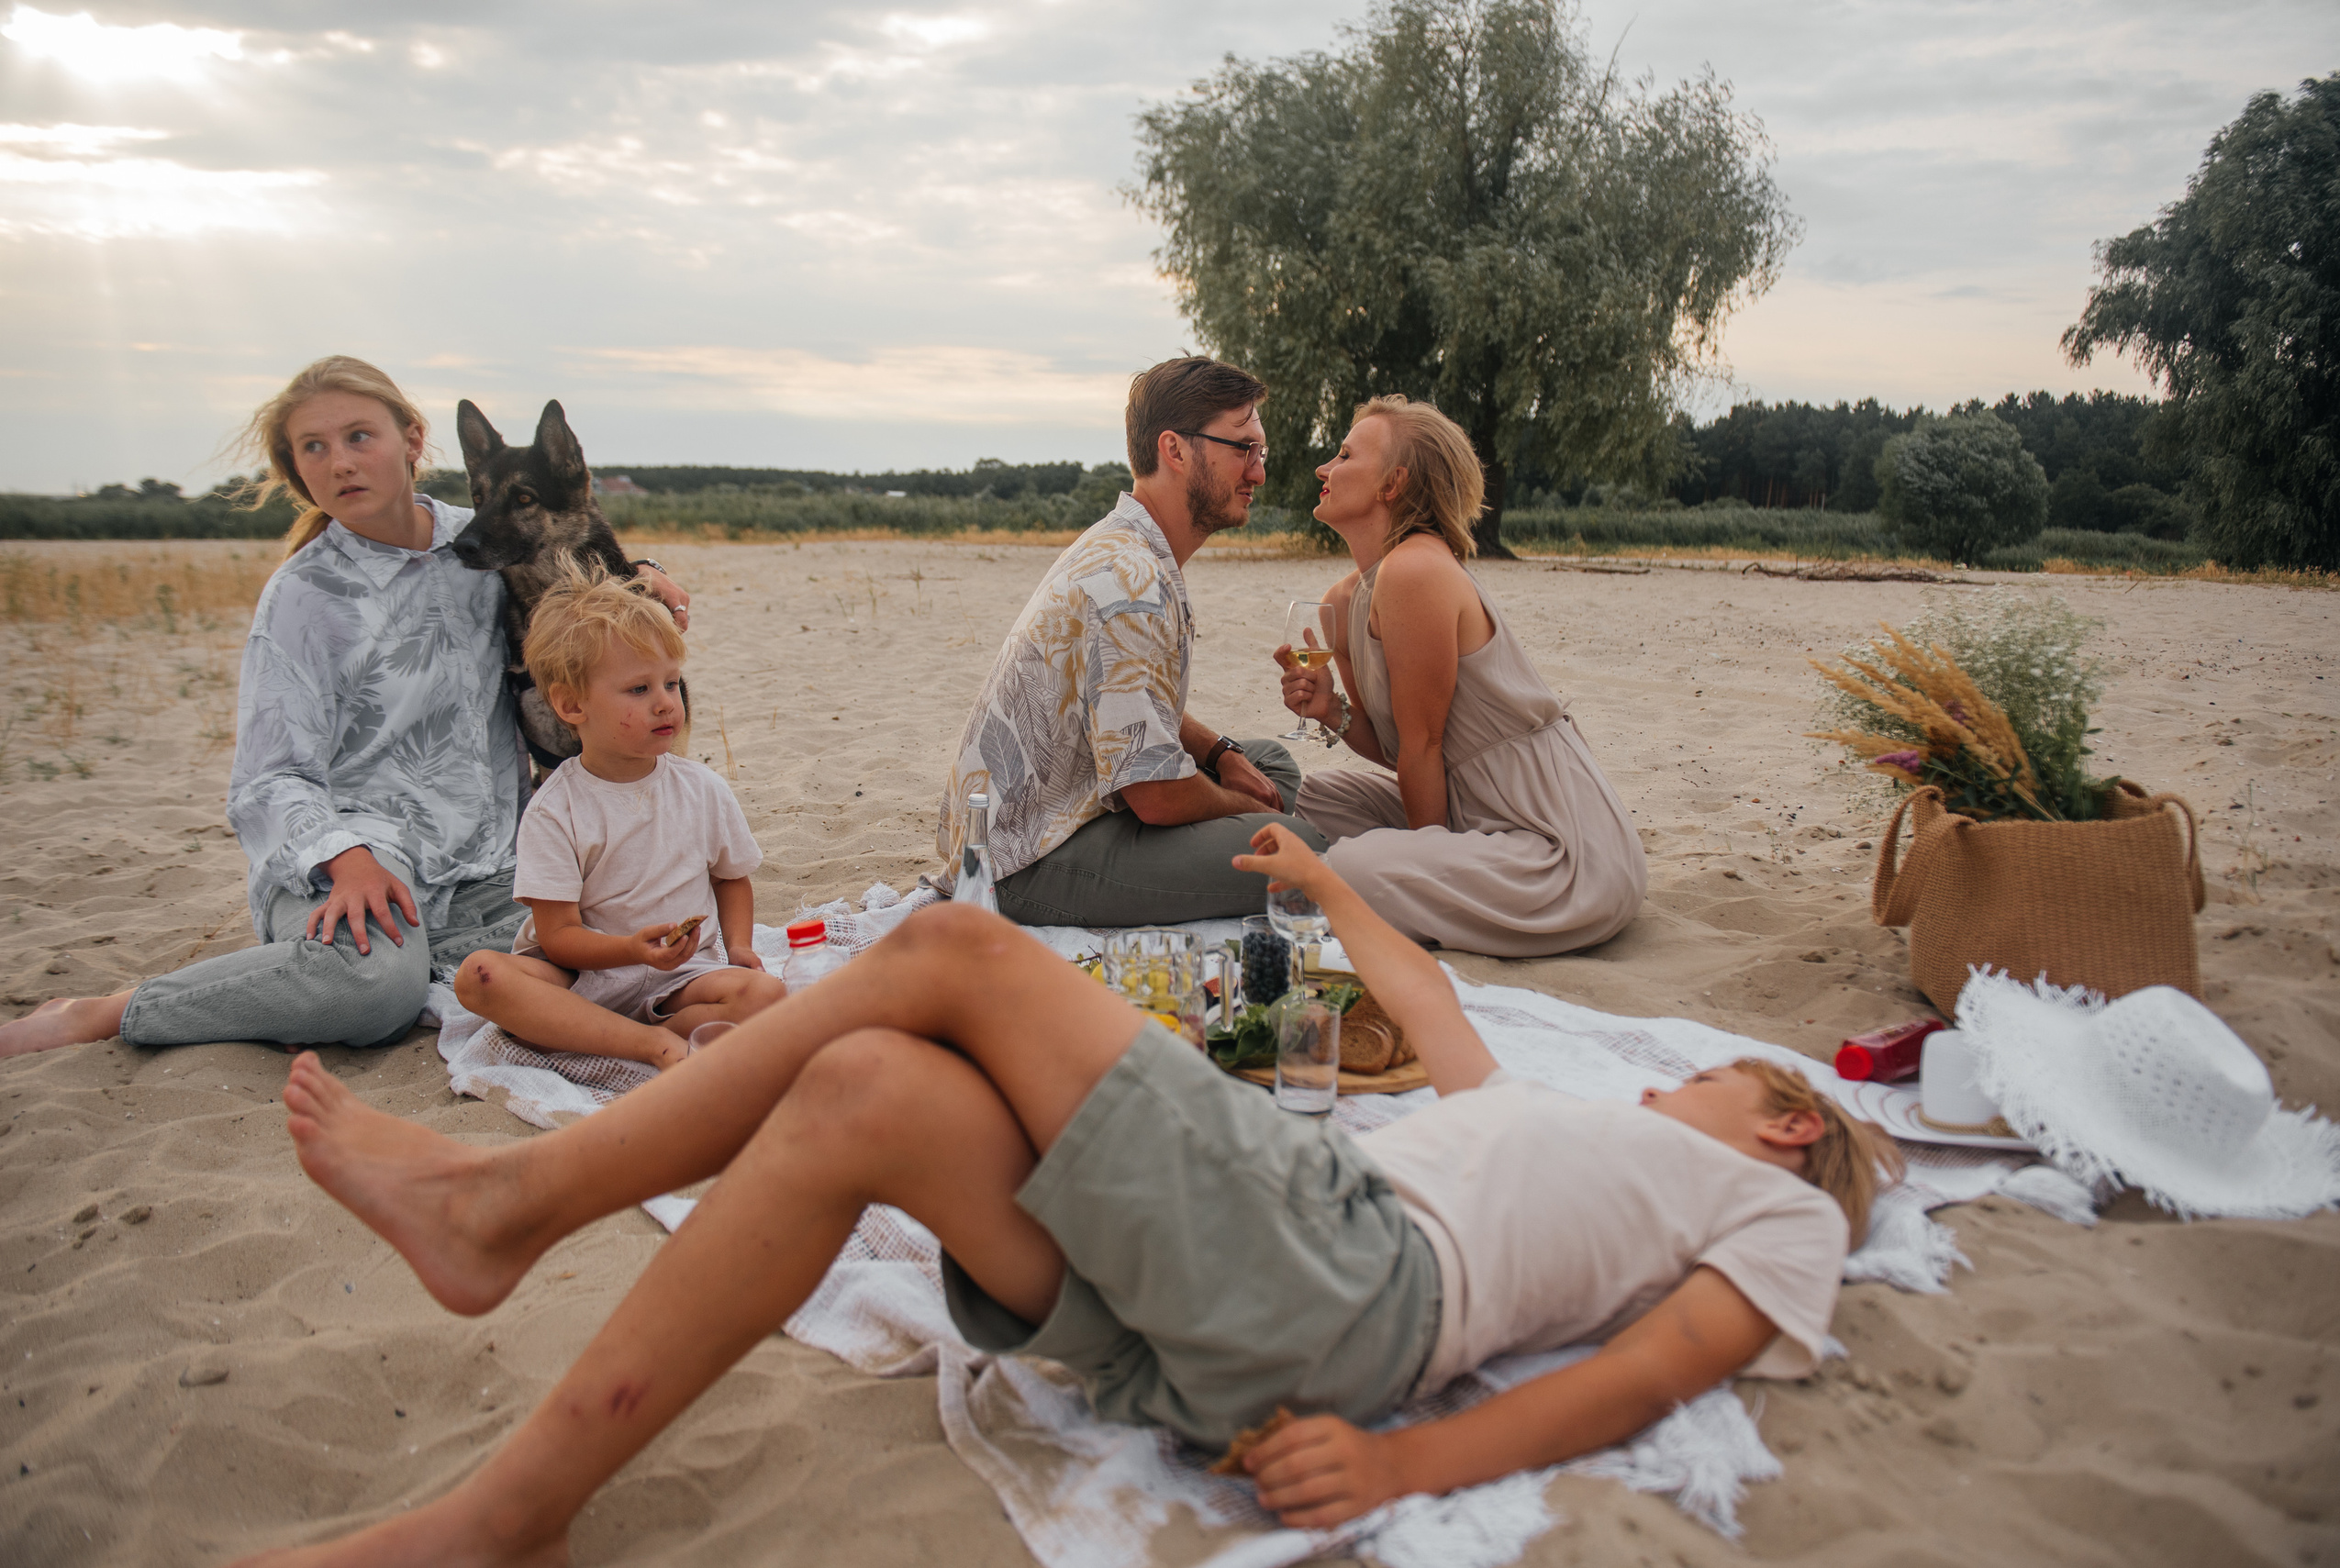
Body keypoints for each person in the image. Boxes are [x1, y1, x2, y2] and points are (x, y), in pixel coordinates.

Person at [250, 824, 1898, 1564]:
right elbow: (1447, 1013)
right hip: (1253, 1299)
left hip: (1340, 1266)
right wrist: (1326, 883)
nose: (1670, 1083)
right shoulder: (1547, 1129)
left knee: (955, 950)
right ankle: (510, 1514)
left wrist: (1410, 1459)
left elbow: (1652, 1369)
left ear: (1777, 1128)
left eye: (1719, 1077)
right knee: (861, 1087)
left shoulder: (1778, 1206)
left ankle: (510, 1202)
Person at [0, 356, 688, 1060]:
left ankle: (428, 960)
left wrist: (646, 577)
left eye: (360, 436)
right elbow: (267, 780)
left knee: (628, 945)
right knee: (374, 989)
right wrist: (349, 860)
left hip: (491, 868)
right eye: (315, 448)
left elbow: (582, 576)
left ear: (413, 441)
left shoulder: (480, 548)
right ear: (298, 469)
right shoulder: (302, 599)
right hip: (352, 863)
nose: (341, 464)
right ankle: (111, 1010)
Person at [936, 355, 1328, 925]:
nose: (1258, 473)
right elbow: (1158, 795)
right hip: (1019, 862)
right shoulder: (1129, 580)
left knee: (1268, 764)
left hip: (1071, 808)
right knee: (1303, 851)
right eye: (1242, 449)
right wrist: (1234, 803)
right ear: (1174, 449)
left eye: (1260, 452)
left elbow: (1131, 706)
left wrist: (1220, 755)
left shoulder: (1127, 545)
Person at [1276, 395, 1646, 956]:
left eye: (1345, 454)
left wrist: (1428, 857)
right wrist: (1333, 712)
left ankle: (1422, 877)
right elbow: (1395, 747)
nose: (1323, 468)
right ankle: (1430, 872)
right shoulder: (1344, 600)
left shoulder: (1416, 569)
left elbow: (1424, 746)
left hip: (1554, 839)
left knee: (1353, 867)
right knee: (1301, 797)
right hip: (1465, 806)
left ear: (1392, 483)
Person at [451, 577, 782, 1072]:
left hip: (680, 978)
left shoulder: (702, 788)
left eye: (671, 683)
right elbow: (558, 934)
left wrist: (737, 947)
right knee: (477, 976)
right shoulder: (555, 809)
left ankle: (625, 1035)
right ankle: (651, 1045)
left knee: (765, 995)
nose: (666, 702)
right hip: (581, 979)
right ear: (571, 705)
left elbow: (730, 877)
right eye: (638, 688)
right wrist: (630, 950)